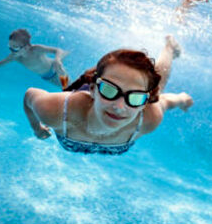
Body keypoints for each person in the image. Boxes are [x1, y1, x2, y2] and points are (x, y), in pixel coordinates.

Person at [23, 36, 193, 155]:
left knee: (159, 92)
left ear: (143, 103)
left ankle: (169, 48)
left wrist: (180, 100)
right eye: (110, 91)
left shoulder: (148, 119)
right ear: (93, 89)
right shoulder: (55, 111)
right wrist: (36, 128)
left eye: (135, 98)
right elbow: (30, 95)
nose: (119, 107)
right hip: (85, 100)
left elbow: (164, 102)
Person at [0, 29, 69, 90]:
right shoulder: (15, 56)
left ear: (26, 47)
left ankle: (67, 54)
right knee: (63, 88)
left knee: (68, 85)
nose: (12, 50)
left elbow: (57, 50)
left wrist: (57, 59)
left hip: (55, 68)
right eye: (10, 47)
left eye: (15, 48)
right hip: (47, 77)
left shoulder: (36, 49)